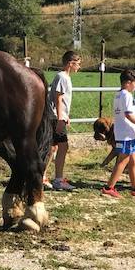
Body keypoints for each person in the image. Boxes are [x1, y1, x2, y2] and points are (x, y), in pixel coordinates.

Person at [102, 70, 135, 198]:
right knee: (123, 160)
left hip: (128, 133)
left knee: (134, 159)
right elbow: (129, 115)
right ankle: (109, 187)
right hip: (126, 133)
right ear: (128, 83)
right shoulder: (126, 95)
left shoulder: (119, 94)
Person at [46, 51, 81, 191]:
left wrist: (66, 116)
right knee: (63, 146)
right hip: (55, 117)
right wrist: (61, 118)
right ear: (70, 63)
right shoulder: (62, 77)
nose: (79, 66)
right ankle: (58, 180)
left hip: (58, 116)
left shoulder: (65, 77)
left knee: (53, 147)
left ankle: (43, 176)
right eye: (78, 63)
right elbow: (58, 98)